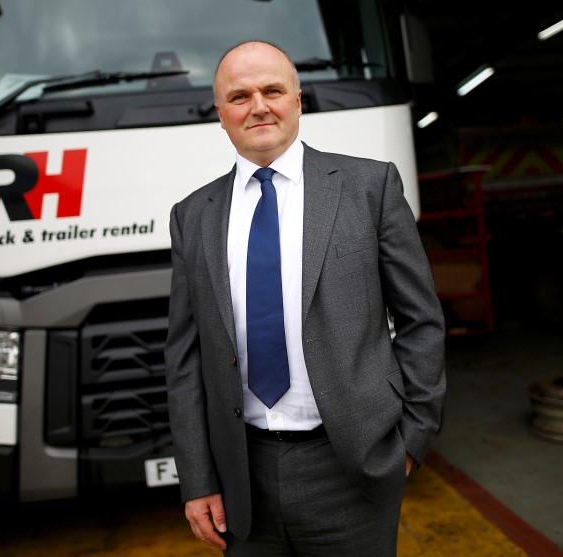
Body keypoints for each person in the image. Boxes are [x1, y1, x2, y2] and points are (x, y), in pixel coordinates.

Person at [164, 40, 446, 556]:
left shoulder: (369, 187)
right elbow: (184, 360)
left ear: (297, 99)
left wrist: (411, 438)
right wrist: (198, 478)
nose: (259, 106)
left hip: (352, 466)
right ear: (220, 114)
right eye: (240, 96)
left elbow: (421, 320)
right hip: (240, 478)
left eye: (273, 90)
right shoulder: (192, 216)